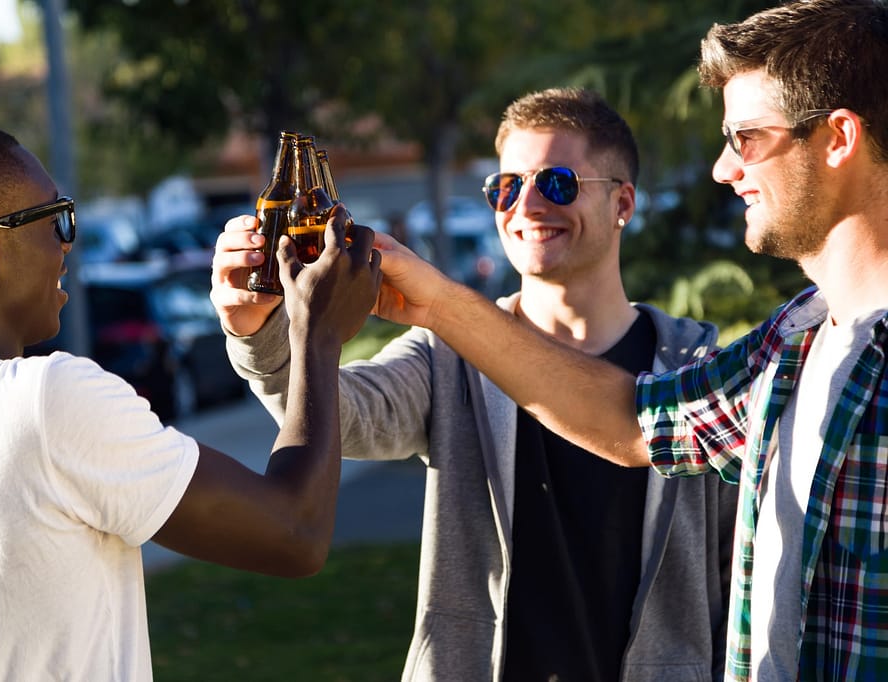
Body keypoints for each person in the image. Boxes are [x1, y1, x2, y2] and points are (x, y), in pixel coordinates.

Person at [364, 0, 888, 679]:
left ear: (839, 137)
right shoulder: (792, 347)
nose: (723, 171)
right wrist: (434, 303)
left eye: (746, 139)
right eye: (507, 187)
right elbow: (631, 422)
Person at [210, 88, 736, 681]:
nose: (527, 206)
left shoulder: (695, 375)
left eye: (557, 182)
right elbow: (343, 415)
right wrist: (259, 332)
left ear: (624, 202)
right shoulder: (449, 353)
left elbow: (736, 574)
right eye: (506, 187)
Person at [0, 119, 381, 681]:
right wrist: (317, 332)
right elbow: (294, 535)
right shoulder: (45, 401)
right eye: (54, 218)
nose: (67, 241)